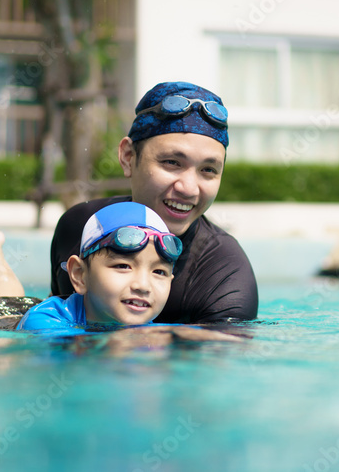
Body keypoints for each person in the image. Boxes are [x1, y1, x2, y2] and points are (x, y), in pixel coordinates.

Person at [49, 81, 258, 324]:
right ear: (128, 157)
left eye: (208, 170)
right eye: (171, 162)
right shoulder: (81, 227)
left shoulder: (223, 277)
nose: (189, 189)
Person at [0, 201, 236, 342]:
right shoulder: (45, 325)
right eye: (123, 266)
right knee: (7, 296)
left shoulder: (144, 322)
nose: (143, 285)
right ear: (79, 275)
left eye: (159, 272)